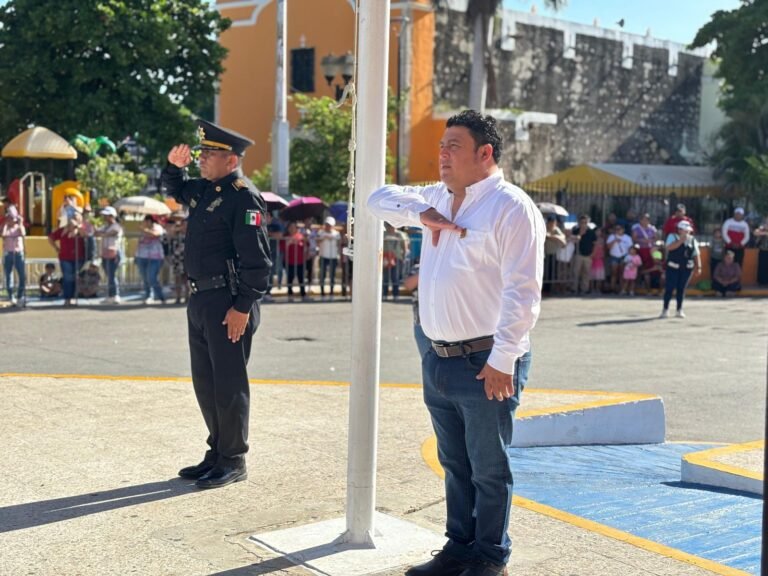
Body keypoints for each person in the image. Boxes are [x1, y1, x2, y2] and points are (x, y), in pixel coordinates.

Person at [368, 110, 544, 576]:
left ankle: (490, 555)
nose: (443, 155)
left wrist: (503, 359)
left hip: (486, 359)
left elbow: (523, 291)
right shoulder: (438, 198)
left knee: (488, 467)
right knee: (454, 462)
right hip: (439, 355)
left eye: (454, 147)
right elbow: (377, 198)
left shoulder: (511, 207)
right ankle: (459, 547)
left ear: (485, 153)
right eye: (442, 146)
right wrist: (421, 214)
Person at [162, 119, 271, 489]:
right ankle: (217, 451)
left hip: (228, 302)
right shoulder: (205, 191)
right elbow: (175, 188)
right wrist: (173, 167)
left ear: (231, 160)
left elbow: (258, 262)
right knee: (206, 383)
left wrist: (242, 307)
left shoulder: (243, 197)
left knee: (228, 383)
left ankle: (234, 458)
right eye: (202, 152)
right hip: (201, 298)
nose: (202, 158)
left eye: (209, 153)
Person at [660, 220, 701, 319]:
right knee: (670, 288)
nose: (687, 232)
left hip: (686, 268)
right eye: (685, 230)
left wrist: (699, 267)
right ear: (679, 230)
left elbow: (696, 254)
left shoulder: (692, 240)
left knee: (681, 288)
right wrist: (680, 241)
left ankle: (679, 309)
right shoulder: (672, 237)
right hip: (673, 267)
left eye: (688, 231)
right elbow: (669, 248)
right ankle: (665, 309)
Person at [48, 217, 86, 307]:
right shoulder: (62, 231)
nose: (71, 226)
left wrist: (78, 228)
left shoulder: (80, 230)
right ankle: (67, 299)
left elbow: (85, 235)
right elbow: (50, 237)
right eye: (70, 224)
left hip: (78, 257)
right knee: (67, 278)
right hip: (65, 258)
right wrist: (56, 248)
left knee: (75, 278)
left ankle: (73, 298)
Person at [135, 215, 166, 304]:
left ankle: (160, 296)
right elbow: (139, 242)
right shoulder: (142, 229)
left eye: (145, 221)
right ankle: (148, 296)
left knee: (151, 277)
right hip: (141, 256)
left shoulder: (157, 227)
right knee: (145, 278)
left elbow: (154, 234)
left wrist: (143, 230)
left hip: (155, 257)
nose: (144, 223)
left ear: (149, 221)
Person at [95, 206, 123, 304]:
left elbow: (112, 233)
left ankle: (116, 295)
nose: (105, 217)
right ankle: (110, 295)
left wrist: (102, 234)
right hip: (105, 253)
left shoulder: (116, 226)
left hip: (114, 252)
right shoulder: (105, 226)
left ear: (112, 216)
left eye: (106, 215)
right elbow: (97, 233)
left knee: (112, 274)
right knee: (109, 275)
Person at [2, 201, 26, 306]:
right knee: (9, 276)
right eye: (8, 218)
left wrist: (20, 223)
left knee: (22, 275)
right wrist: (5, 225)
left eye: (11, 218)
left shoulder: (18, 228)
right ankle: (11, 296)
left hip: (18, 253)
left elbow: (23, 234)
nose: (10, 220)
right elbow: (3, 235)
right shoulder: (6, 228)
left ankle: (20, 295)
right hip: (8, 253)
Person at [280, 221, 308, 301]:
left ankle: (303, 293)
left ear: (296, 228)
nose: (292, 229)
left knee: (301, 278)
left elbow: (305, 247)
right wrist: (289, 242)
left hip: (300, 261)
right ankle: (290, 293)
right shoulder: (285, 237)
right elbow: (282, 248)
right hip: (289, 261)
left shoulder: (300, 236)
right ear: (288, 228)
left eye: (293, 227)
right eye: (290, 227)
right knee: (290, 278)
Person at [165, 212, 189, 304]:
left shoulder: (190, 233)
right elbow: (170, 233)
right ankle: (178, 297)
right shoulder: (176, 232)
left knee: (187, 279)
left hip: (186, 258)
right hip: (177, 258)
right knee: (177, 278)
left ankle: (187, 297)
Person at [570, 214, 597, 295]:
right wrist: (580, 234)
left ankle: (584, 289)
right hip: (578, 254)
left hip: (588, 255)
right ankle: (574, 288)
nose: (583, 224)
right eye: (582, 222)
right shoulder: (575, 231)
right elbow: (573, 241)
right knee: (575, 272)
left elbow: (595, 243)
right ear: (579, 222)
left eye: (585, 222)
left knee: (586, 273)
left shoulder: (591, 232)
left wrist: (593, 253)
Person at [382, 222, 408, 300]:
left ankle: (395, 295)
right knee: (385, 277)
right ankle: (385, 294)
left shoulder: (400, 234)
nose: (390, 227)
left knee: (395, 278)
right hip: (385, 258)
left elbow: (404, 246)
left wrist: (403, 257)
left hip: (397, 258)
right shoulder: (383, 234)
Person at [316, 215, 341, 298]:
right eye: (327, 225)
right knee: (322, 275)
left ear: (333, 226)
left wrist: (332, 237)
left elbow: (339, 243)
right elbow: (317, 241)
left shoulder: (337, 234)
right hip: (323, 256)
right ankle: (322, 292)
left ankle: (331, 293)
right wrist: (323, 238)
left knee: (332, 276)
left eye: (329, 225)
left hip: (333, 257)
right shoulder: (321, 232)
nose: (328, 226)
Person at [606, 224, 632, 293]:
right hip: (614, 257)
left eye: (619, 229)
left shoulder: (628, 238)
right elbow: (608, 247)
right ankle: (612, 288)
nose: (617, 230)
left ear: (623, 230)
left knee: (622, 273)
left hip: (623, 257)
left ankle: (622, 289)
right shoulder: (611, 237)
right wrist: (614, 241)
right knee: (613, 273)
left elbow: (630, 249)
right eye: (616, 229)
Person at [543, 215, 565, 294]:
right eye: (551, 222)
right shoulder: (544, 228)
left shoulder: (556, 229)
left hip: (553, 254)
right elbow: (546, 236)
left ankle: (550, 289)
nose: (552, 224)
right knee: (545, 272)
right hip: (545, 254)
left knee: (552, 272)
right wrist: (555, 237)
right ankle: (545, 288)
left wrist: (553, 237)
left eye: (554, 223)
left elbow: (562, 237)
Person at [590, 228, 606, 294]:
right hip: (592, 258)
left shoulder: (602, 239)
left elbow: (603, 249)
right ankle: (591, 289)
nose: (598, 232)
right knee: (591, 275)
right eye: (597, 231)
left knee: (599, 275)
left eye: (600, 231)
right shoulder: (591, 238)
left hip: (599, 258)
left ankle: (598, 289)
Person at [755, 218, 768, 285]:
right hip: (763, 250)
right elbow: (756, 233)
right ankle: (762, 281)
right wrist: (763, 231)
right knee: (762, 266)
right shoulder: (762, 228)